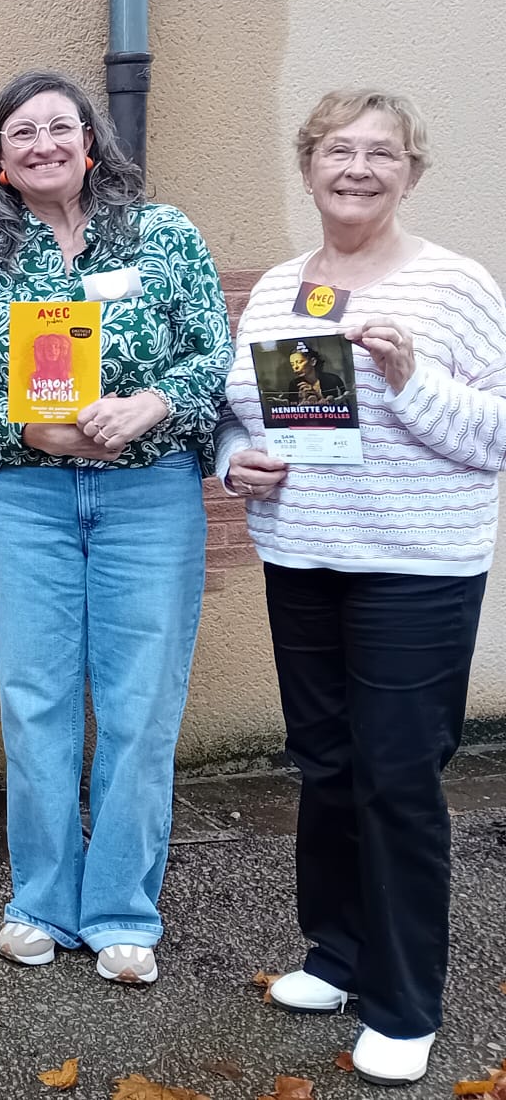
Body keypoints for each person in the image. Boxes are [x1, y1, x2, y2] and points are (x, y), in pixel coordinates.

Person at [216, 90, 506, 1086]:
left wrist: (413, 378)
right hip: (304, 559)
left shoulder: (455, 285)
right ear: (309, 166)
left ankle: (404, 1001)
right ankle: (337, 955)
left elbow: (496, 435)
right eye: (338, 150)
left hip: (414, 570)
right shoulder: (281, 288)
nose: (358, 168)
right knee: (327, 766)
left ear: (411, 173)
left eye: (382, 153)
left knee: (397, 780)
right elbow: (240, 410)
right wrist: (237, 462)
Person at [0, 71, 230, 985]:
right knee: (35, 705)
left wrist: (149, 405)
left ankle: (122, 911)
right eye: (21, 133)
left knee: (140, 708)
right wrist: (32, 430)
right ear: (0, 160)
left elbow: (210, 352)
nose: (44, 144)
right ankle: (40, 902)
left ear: (90, 142)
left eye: (60, 127)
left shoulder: (162, 233)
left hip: (148, 494)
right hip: (29, 498)